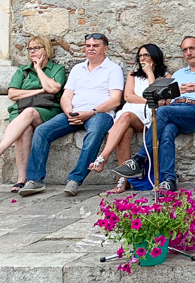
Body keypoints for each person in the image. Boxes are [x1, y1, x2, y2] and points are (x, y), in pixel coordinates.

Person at [113, 36, 195, 191]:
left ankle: (139, 159)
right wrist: (171, 96)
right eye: (185, 50)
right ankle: (169, 180)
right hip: (176, 110)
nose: (188, 53)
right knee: (167, 130)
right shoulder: (178, 74)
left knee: (163, 113)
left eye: (192, 48)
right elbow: (166, 102)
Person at [19, 33, 124, 197]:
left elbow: (115, 100)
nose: (90, 49)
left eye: (95, 46)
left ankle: (75, 179)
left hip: (100, 113)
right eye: (87, 45)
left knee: (95, 132)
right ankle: (35, 180)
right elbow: (66, 96)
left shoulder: (113, 69)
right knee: (42, 131)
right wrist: (69, 111)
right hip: (74, 112)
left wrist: (91, 112)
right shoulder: (78, 68)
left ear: (105, 49)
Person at [89, 44, 171, 194]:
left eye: (146, 55)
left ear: (155, 56)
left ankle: (103, 157)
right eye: (140, 56)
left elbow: (159, 99)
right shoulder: (133, 74)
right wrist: (150, 100)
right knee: (125, 132)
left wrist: (150, 75)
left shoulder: (166, 77)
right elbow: (127, 96)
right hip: (130, 112)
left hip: (149, 115)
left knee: (125, 116)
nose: (142, 59)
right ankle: (122, 181)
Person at [0, 36, 67, 193]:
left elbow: (53, 89)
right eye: (30, 49)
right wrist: (39, 91)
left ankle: (1, 147)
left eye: (37, 48)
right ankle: (22, 179)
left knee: (29, 113)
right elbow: (12, 94)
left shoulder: (57, 69)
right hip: (21, 112)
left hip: (47, 111)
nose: (33, 52)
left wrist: (38, 69)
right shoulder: (22, 70)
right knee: (25, 130)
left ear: (46, 50)